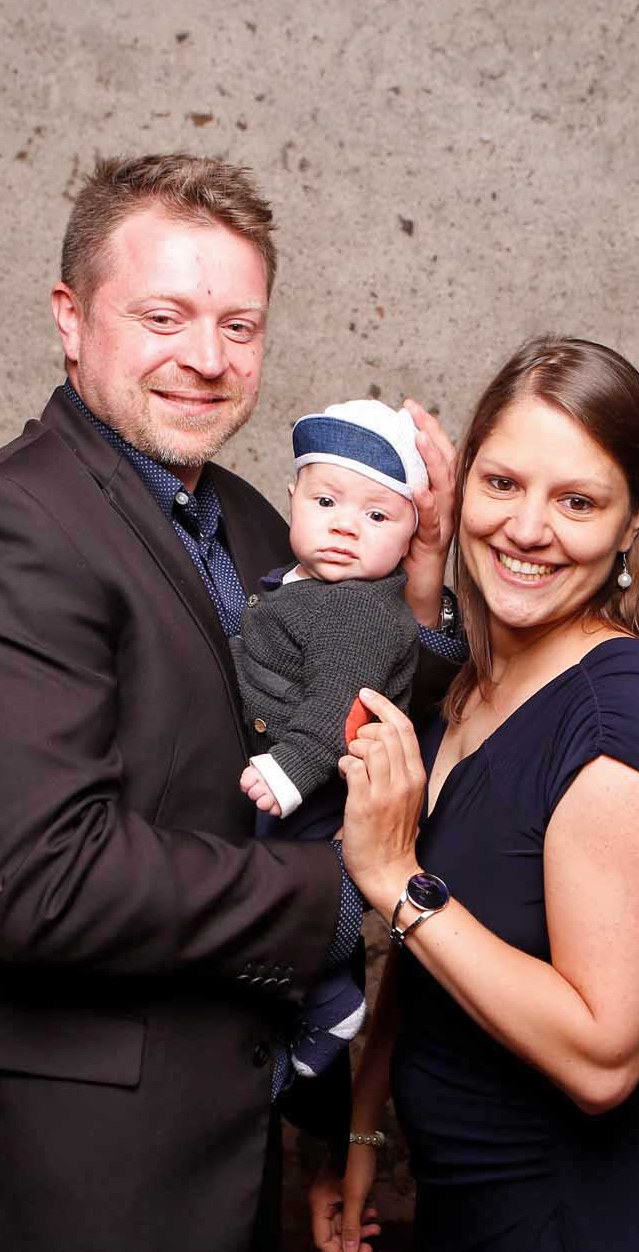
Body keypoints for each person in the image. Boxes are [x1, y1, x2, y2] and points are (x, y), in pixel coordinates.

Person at [0, 153, 461, 1252]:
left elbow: (353, 697)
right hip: (76, 1172)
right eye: (164, 316)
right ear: (71, 319)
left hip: (233, 1140)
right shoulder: (5, 526)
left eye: (238, 326)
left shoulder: (255, 519)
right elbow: (43, 881)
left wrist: (427, 570)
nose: (207, 359)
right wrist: (344, 889)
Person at [313, 336, 639, 1252]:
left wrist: (395, 877)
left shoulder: (621, 722)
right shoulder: (477, 679)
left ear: (634, 518)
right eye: (502, 484)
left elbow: (603, 1059)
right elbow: (443, 950)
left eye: (577, 501)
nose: (527, 529)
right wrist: (363, 1127)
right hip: (468, 1212)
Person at [235, 399, 429, 1086]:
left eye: (378, 516)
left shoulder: (360, 612)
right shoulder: (304, 586)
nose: (346, 525)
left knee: (300, 900)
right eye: (326, 501)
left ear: (411, 536)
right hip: (291, 780)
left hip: (316, 793)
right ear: (293, 497)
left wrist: (290, 769)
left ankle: (328, 1002)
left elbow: (339, 704)